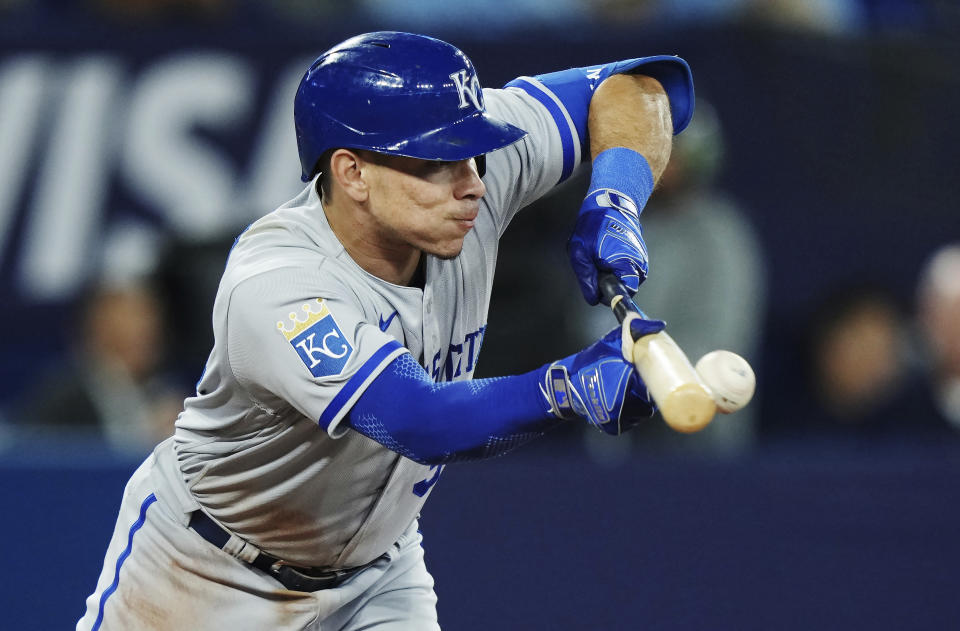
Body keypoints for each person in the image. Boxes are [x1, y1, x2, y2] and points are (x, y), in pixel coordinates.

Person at [77, 31, 694, 630]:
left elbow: (638, 88)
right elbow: (419, 421)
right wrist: (563, 389)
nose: (474, 183)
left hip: (376, 577)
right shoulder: (279, 284)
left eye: (474, 152)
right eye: (438, 161)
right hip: (207, 575)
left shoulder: (467, 178)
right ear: (351, 173)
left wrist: (617, 198)